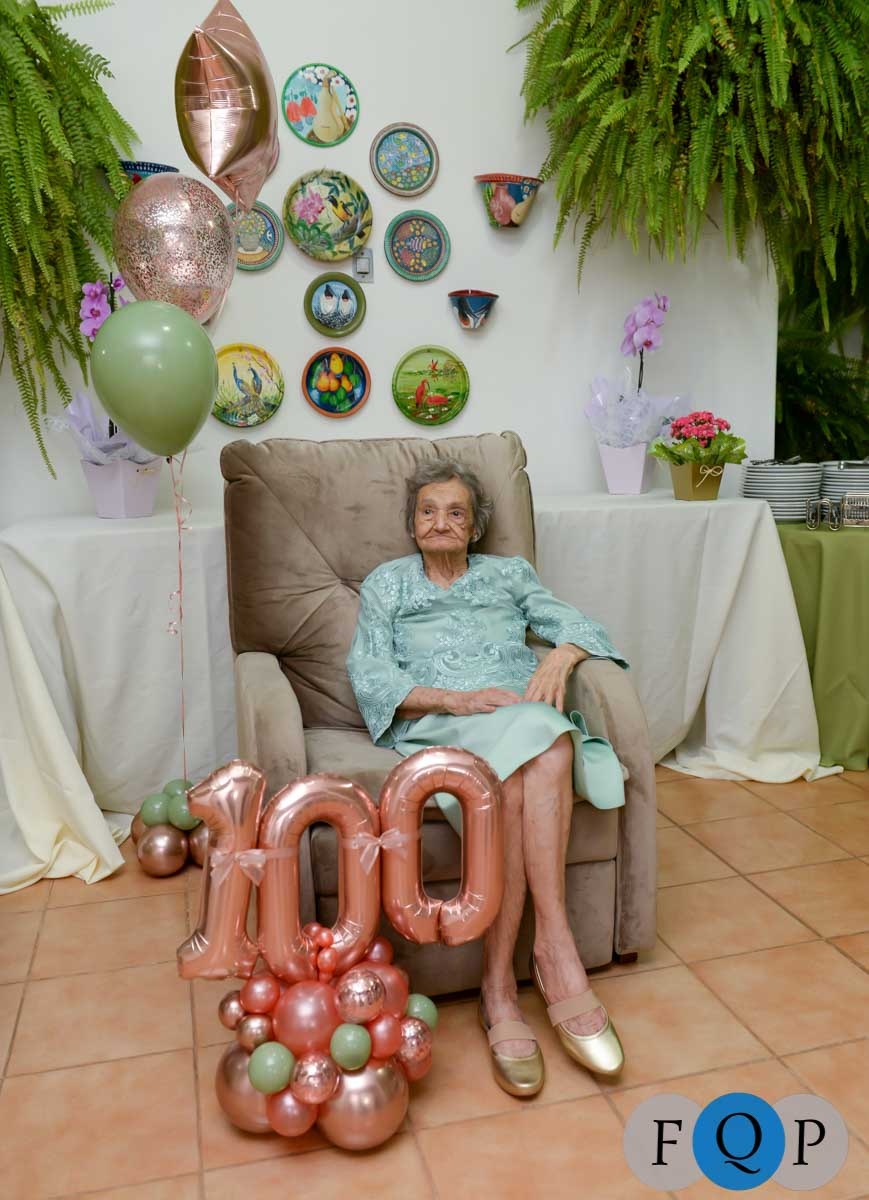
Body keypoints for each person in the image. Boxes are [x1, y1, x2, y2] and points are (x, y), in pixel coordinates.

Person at [346, 459, 628, 1096]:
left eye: (455, 513)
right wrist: (454, 699)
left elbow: (580, 624)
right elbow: (370, 674)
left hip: (516, 715)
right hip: (443, 721)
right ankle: (541, 967)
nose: (439, 523)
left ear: (475, 528)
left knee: (545, 745)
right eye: (427, 511)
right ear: (412, 523)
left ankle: (517, 971)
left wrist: (562, 655)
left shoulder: (509, 574)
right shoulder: (387, 584)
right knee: (541, 751)